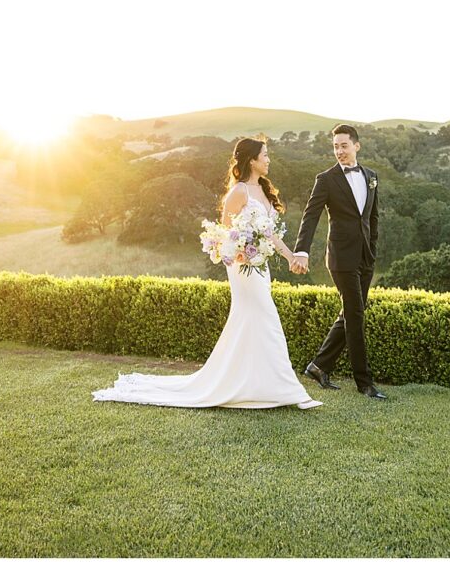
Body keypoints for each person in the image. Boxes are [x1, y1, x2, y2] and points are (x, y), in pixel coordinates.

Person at [92, 136, 321, 410]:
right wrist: (240, 251)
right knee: (266, 318)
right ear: (251, 160)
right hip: (242, 268)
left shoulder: (262, 189)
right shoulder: (239, 192)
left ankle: (256, 385)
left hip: (260, 266)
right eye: (265, 155)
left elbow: (270, 234)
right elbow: (226, 234)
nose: (269, 159)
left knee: (254, 321)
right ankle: (288, 390)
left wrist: (290, 255)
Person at [290, 124, 387, 400]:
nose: (339, 151)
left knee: (350, 313)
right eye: (335, 146)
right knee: (355, 314)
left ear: (357, 146)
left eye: (344, 145)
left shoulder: (371, 176)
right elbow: (311, 216)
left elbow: (372, 217)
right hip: (341, 257)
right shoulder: (326, 179)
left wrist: (374, 249)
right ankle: (364, 383)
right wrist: (302, 251)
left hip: (365, 257)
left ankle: (319, 366)